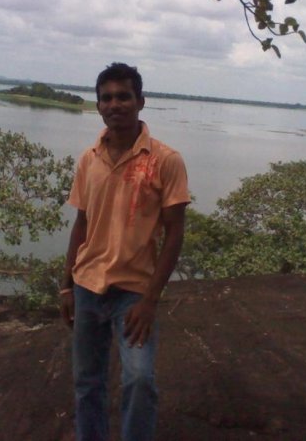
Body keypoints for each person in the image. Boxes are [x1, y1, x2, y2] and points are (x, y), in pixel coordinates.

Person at [59, 62, 190, 441]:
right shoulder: (89, 159)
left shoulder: (165, 160)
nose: (115, 104)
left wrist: (150, 300)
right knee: (87, 382)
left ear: (140, 102)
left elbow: (175, 233)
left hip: (133, 293)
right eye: (107, 98)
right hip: (87, 287)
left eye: (123, 96)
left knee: (139, 380)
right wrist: (66, 285)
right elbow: (81, 224)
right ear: (98, 105)